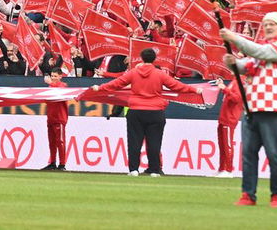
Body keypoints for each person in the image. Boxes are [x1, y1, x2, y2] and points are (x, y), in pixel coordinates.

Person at [222, 12, 277, 208]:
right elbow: (243, 66)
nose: (268, 27)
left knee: (274, 154)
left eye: (272, 24)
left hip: (274, 108)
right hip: (252, 108)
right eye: (265, 24)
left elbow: (261, 53)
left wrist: (234, 38)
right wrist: (231, 63)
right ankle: (248, 194)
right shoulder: (263, 51)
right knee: (248, 154)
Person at [92, 47, 199, 176]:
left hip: (136, 111)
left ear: (142, 58)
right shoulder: (160, 74)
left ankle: (134, 170)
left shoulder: (133, 72)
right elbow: (177, 86)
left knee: (134, 142)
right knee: (154, 142)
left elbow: (117, 84)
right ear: (154, 59)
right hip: (155, 111)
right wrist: (195, 90)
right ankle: (154, 169)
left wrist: (100, 87)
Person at [42, 68, 70, 171]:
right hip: (51, 117)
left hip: (59, 118)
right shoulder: (51, 87)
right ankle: (52, 162)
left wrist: (51, 84)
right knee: (52, 142)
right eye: (52, 76)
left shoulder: (63, 86)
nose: (53, 78)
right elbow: (46, 100)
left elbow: (61, 93)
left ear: (60, 76)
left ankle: (62, 164)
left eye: (55, 76)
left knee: (60, 141)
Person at [217, 76, 243, 172]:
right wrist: (223, 87)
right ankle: (222, 169)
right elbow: (230, 96)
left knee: (227, 145)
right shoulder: (235, 81)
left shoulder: (240, 82)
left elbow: (237, 99)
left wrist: (225, 88)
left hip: (229, 118)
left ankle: (228, 170)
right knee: (223, 146)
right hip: (224, 118)